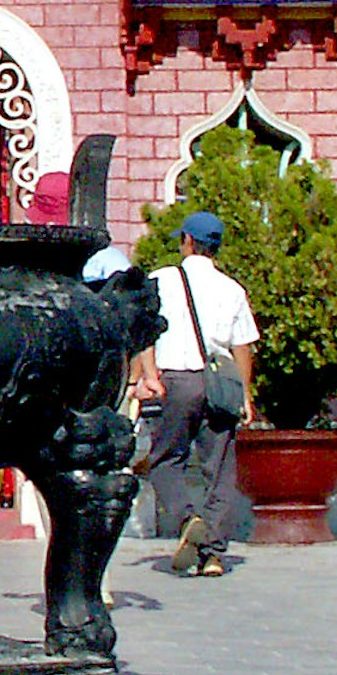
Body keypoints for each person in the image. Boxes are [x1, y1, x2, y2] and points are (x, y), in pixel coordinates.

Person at [137, 210, 258, 577]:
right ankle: (214, 554)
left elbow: (145, 332)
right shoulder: (233, 289)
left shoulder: (161, 280)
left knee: (165, 459)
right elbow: (243, 346)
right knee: (220, 469)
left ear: (187, 241)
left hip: (176, 380)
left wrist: (150, 374)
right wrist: (246, 395)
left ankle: (189, 519)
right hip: (221, 385)